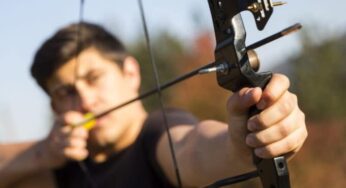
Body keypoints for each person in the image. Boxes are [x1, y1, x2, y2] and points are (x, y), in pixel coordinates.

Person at [0, 22, 307, 188]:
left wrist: (241, 144)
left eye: (94, 78)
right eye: (66, 93)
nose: (85, 101)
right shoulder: (62, 165)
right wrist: (43, 153)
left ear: (130, 72)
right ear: (55, 107)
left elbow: (192, 148)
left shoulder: (158, 134)